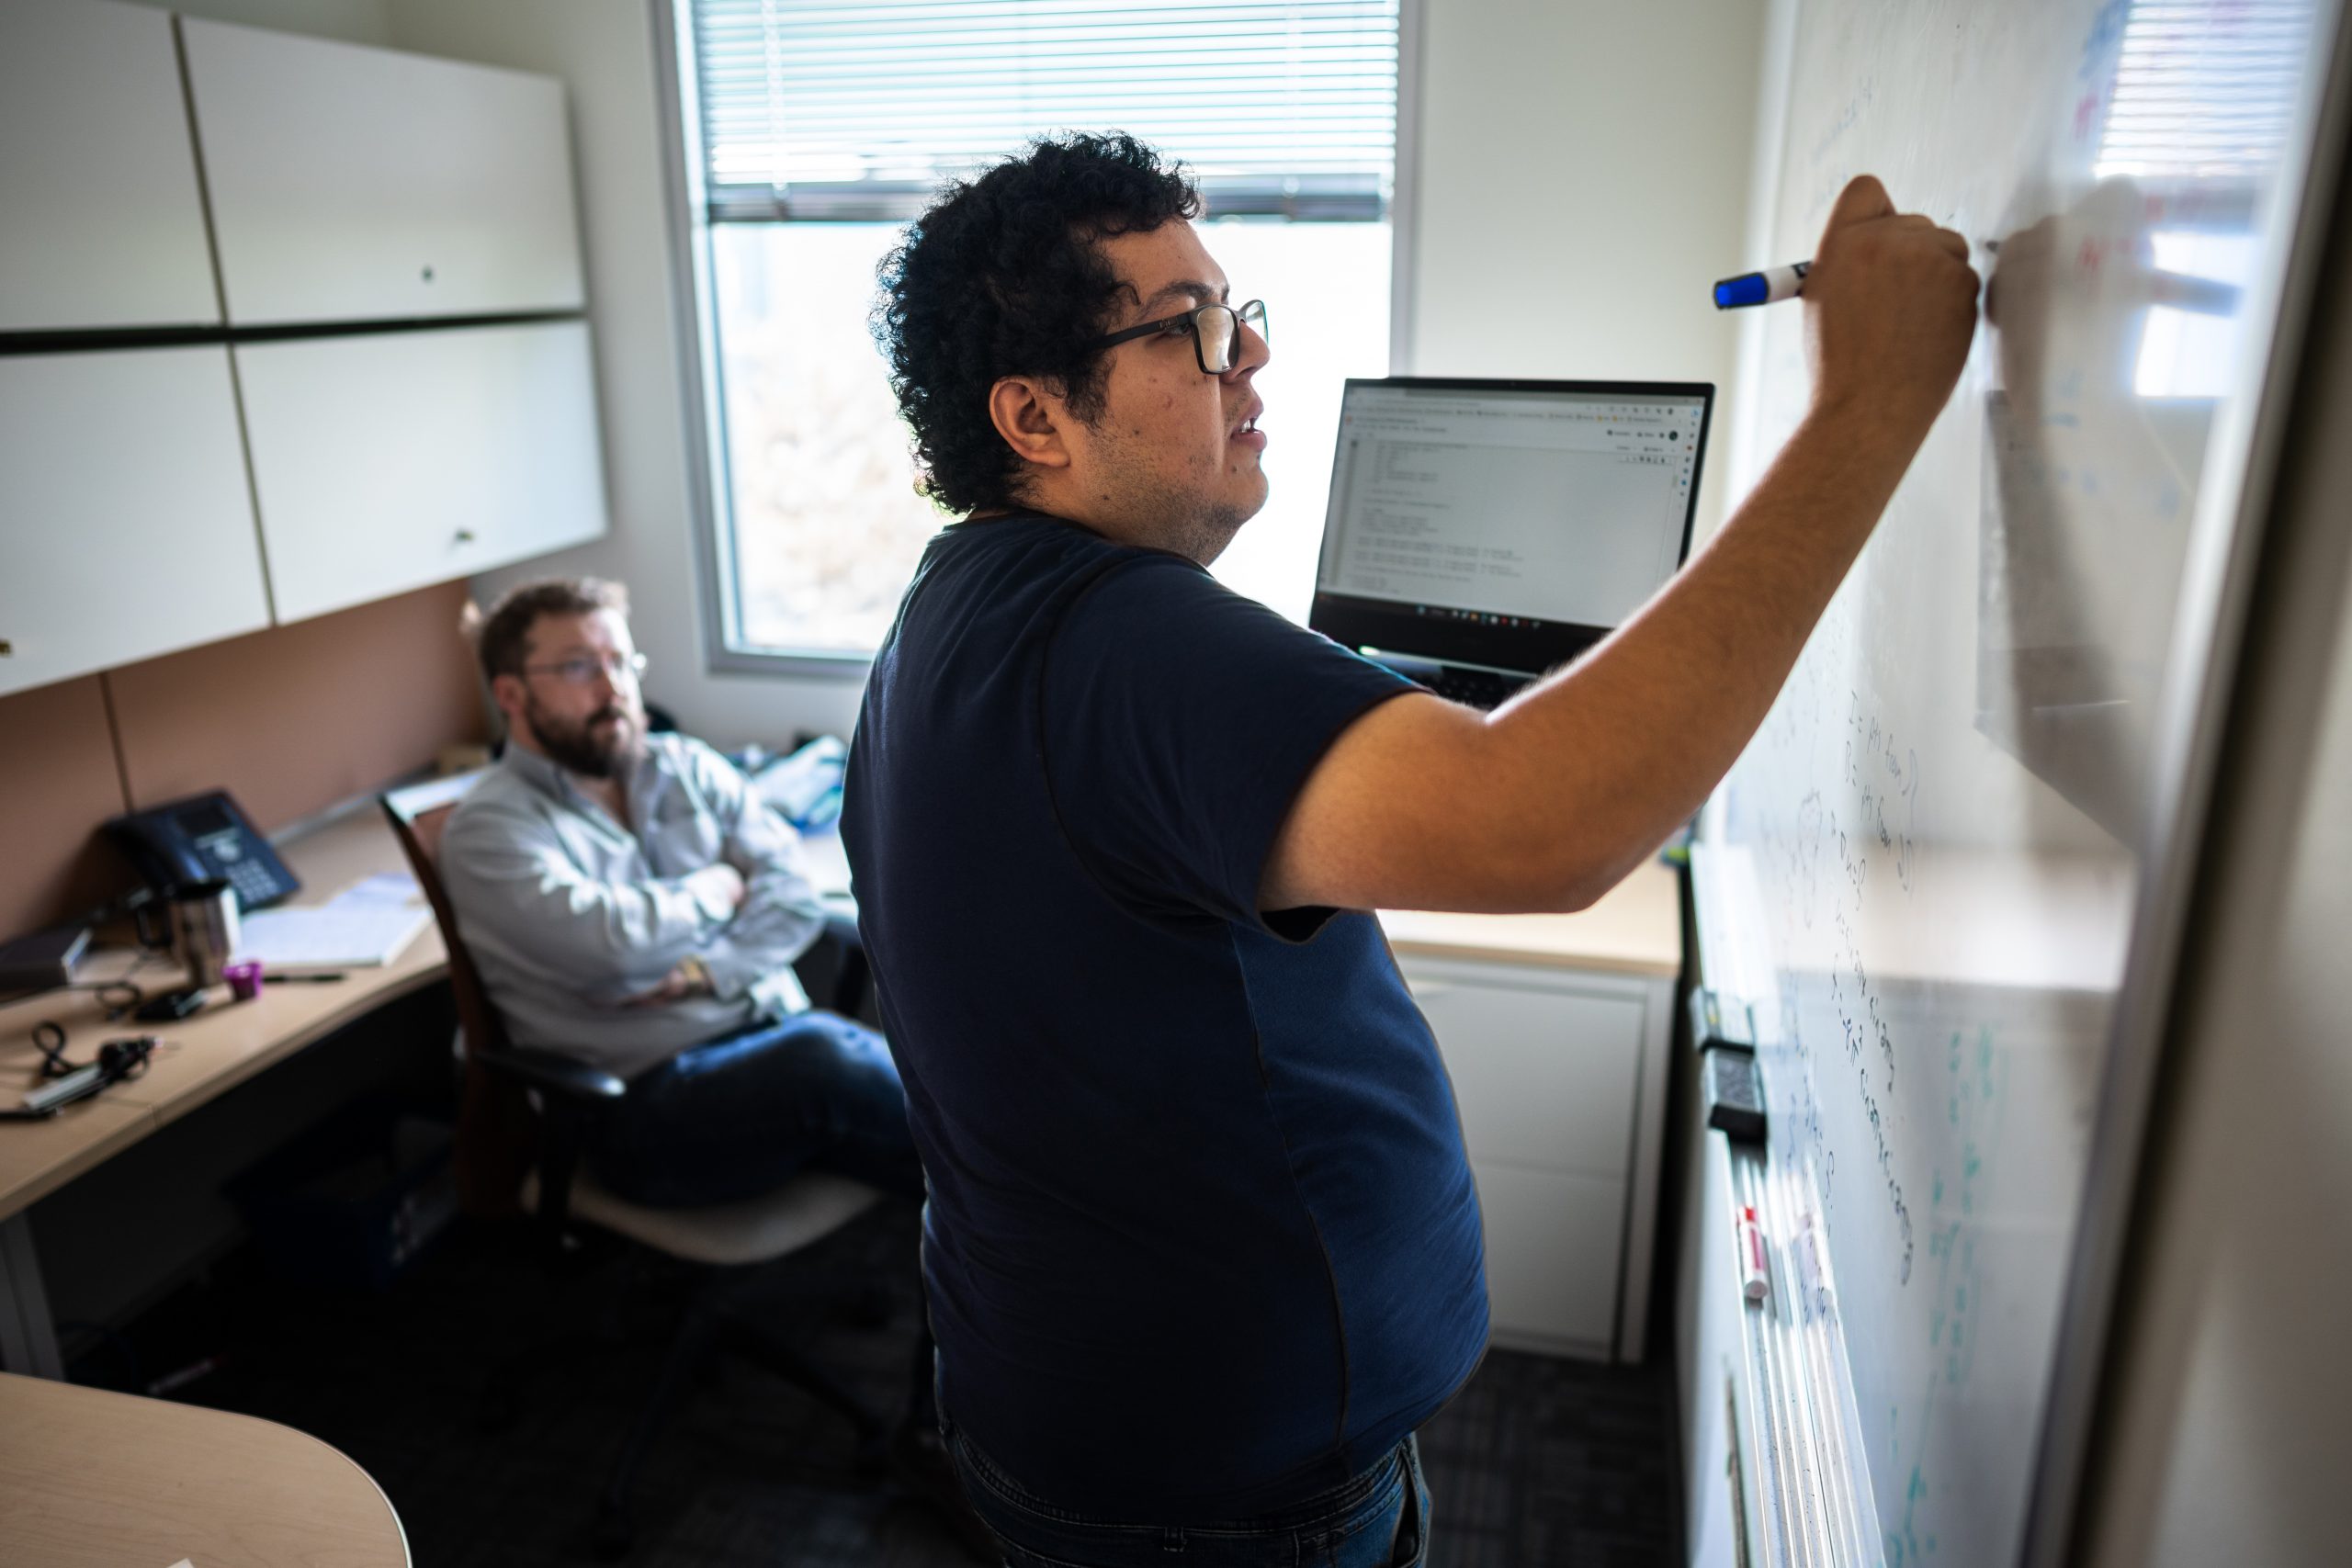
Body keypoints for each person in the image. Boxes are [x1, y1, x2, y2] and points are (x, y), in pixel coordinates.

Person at [842, 131, 1977, 1568]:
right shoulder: (1129, 638)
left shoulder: (952, 610)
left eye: (1240, 313)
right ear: (1035, 417)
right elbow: (1547, 824)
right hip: (1216, 1487)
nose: (1244, 358)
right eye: (1189, 328)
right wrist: (1868, 407)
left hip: (1081, 1418)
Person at [440, 578, 993, 1557]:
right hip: (647, 1115)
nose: (611, 686)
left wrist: (698, 963)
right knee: (912, 1114)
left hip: (762, 1061)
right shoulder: (488, 827)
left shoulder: (686, 768)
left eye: (618, 660)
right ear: (511, 694)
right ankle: (967, 1418)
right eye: (577, 666)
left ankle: (968, 1412)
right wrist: (716, 887)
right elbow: (609, 946)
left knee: (958, 1155)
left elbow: (795, 896)